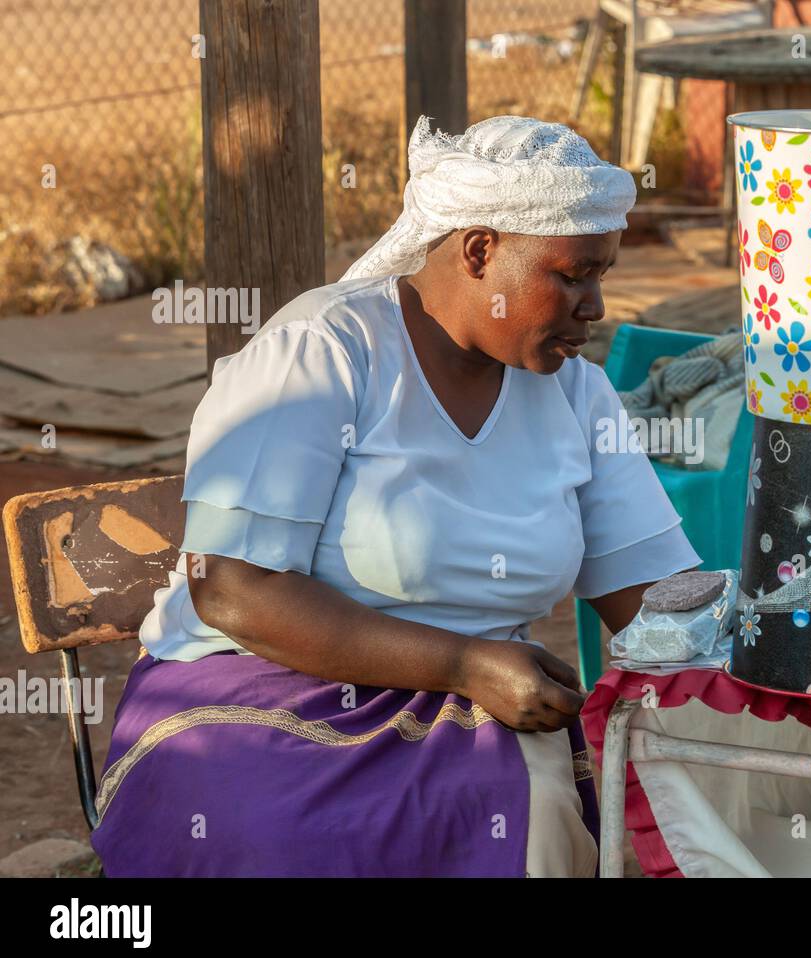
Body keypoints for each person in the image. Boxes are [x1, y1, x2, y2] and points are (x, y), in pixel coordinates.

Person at [89, 115, 702, 876]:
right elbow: (234, 592)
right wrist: (461, 664)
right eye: (573, 274)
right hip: (262, 684)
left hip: (477, 704)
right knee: (282, 835)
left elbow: (660, 595)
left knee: (530, 820)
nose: (596, 305)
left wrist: (788, 644)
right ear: (480, 250)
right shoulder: (322, 353)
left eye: (601, 274)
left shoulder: (577, 395)